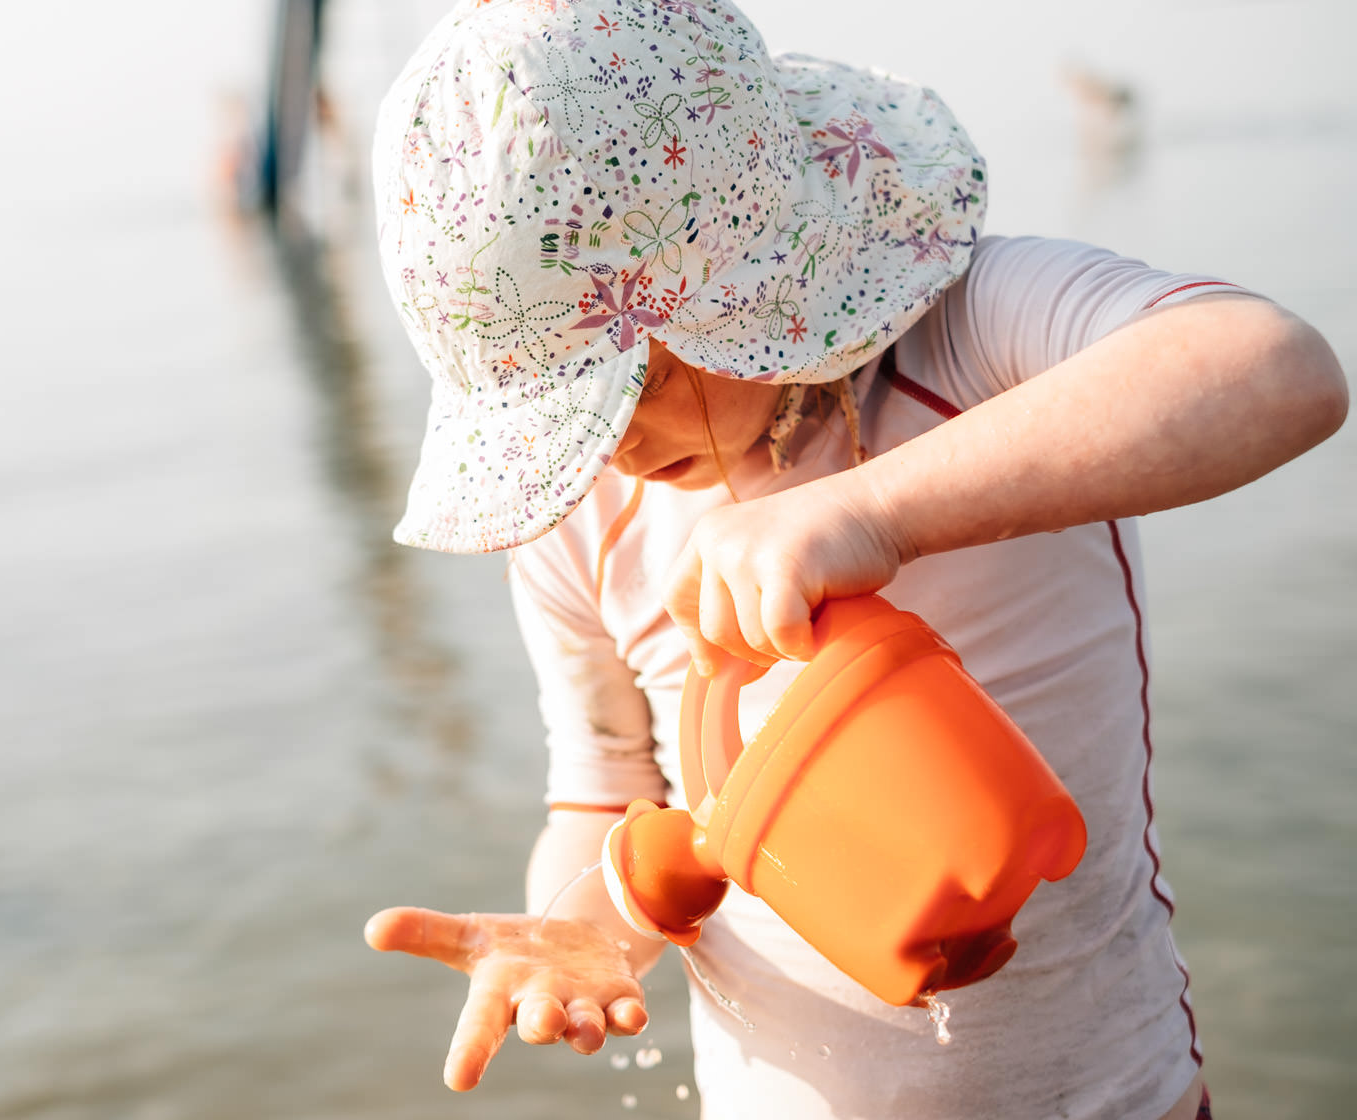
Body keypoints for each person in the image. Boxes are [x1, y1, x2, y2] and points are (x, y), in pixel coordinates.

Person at [359, 2, 1348, 1117]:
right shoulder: (584, 518)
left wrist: (873, 512)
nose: (604, 445)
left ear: (747, 273)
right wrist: (577, 933)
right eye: (547, 414)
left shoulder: (971, 338)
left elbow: (1276, 371)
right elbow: (603, 793)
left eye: (614, 383)